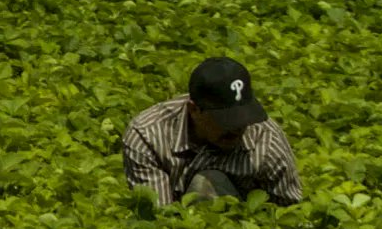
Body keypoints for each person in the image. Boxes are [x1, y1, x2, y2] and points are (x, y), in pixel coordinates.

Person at [123, 56, 303, 206]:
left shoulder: (266, 136)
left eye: (243, 117)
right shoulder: (148, 134)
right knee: (206, 183)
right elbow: (159, 216)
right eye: (226, 120)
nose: (238, 127)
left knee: (208, 181)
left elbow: (289, 210)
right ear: (194, 110)